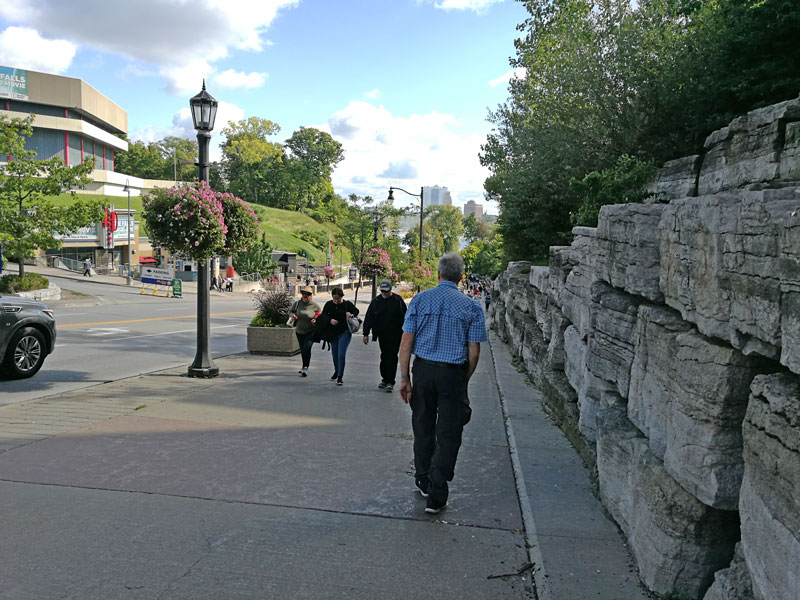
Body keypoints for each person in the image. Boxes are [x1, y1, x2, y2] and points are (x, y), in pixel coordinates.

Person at [398, 253, 487, 514]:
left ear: (438, 274)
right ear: (461, 278)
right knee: (449, 432)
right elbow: (474, 352)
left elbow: (406, 342)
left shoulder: (420, 299)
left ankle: (423, 478)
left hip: (423, 370)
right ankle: (437, 492)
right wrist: (464, 379)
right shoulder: (471, 307)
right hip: (452, 374)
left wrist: (405, 377)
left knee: (423, 425)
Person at [362, 279, 407, 393]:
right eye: (382, 291)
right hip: (382, 334)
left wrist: (407, 333)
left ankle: (390, 381)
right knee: (384, 356)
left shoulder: (398, 300)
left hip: (396, 334)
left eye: (386, 291)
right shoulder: (377, 301)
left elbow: (406, 317)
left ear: (390, 290)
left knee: (392, 356)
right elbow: (369, 317)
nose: (384, 293)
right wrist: (366, 333)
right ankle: (384, 378)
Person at [317, 287, 359, 386]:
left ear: (341, 297)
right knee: (335, 354)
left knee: (341, 354)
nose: (336, 301)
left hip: (344, 332)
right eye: (334, 298)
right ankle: (337, 370)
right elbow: (323, 316)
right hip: (332, 333)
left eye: (338, 299)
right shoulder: (329, 304)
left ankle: (340, 376)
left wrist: (350, 314)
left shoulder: (346, 304)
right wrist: (330, 320)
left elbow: (356, 311)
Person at [291, 286, 321, 377]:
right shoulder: (297, 304)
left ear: (311, 296)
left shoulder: (314, 305)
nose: (305, 296)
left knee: (307, 348)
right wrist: (293, 315)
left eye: (308, 294)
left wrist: (315, 319)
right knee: (303, 349)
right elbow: (290, 311)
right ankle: (304, 365)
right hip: (299, 330)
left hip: (310, 331)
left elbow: (320, 314)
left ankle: (305, 367)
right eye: (304, 294)